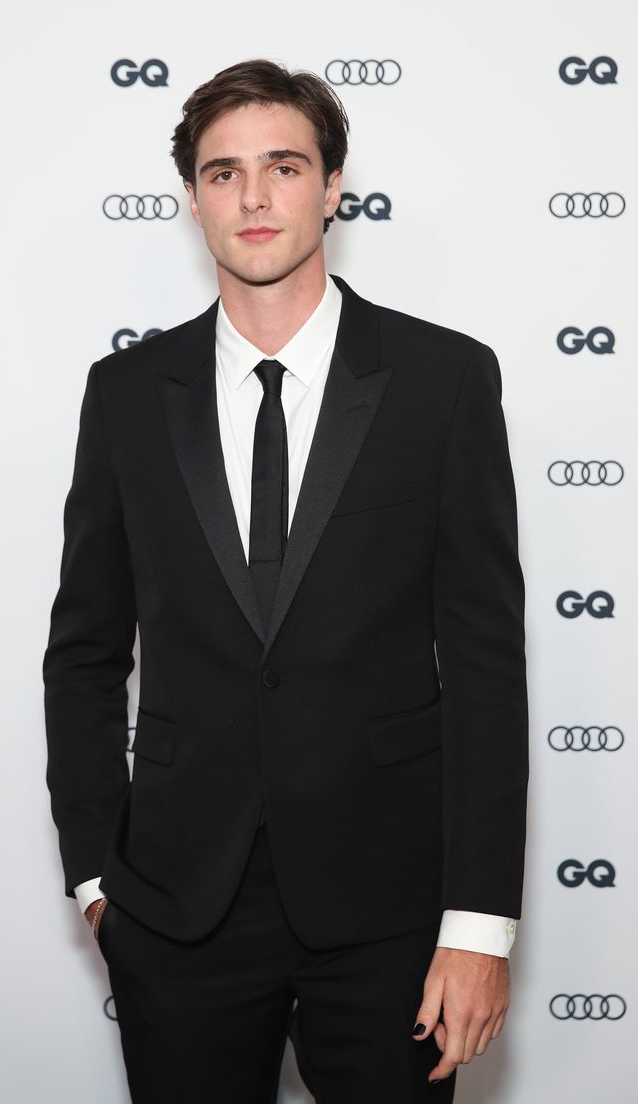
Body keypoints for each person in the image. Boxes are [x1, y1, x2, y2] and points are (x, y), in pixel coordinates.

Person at [43, 58, 528, 1103]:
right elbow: (84, 651)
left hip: (393, 910)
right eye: (222, 174)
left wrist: (480, 925)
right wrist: (95, 879)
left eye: (282, 166)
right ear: (192, 198)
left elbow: (485, 664)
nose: (253, 198)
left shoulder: (442, 381)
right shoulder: (127, 395)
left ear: (334, 185)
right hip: (175, 909)